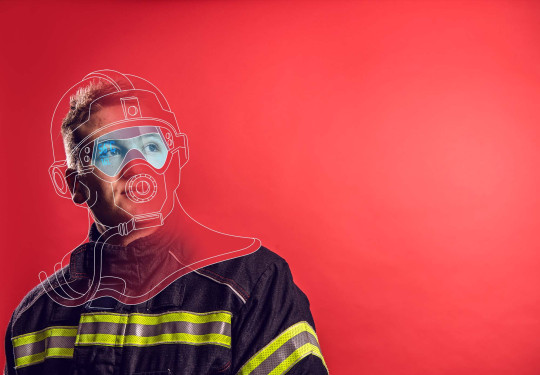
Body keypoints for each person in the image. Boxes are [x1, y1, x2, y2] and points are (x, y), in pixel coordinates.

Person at [3, 70, 328, 375]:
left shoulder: (251, 285)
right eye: (110, 151)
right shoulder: (32, 319)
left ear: (174, 159)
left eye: (151, 146)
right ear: (75, 184)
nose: (138, 166)